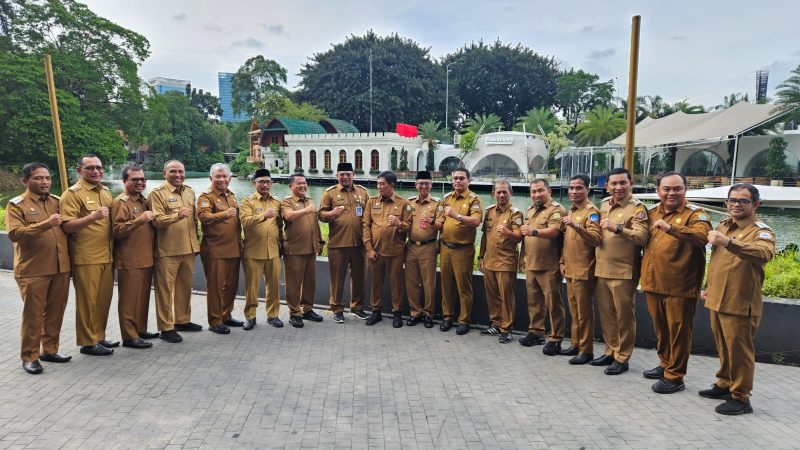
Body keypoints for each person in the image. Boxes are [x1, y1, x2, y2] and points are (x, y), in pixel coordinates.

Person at [701, 183, 775, 415]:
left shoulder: (761, 231)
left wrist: (728, 243)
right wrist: (706, 286)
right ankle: (725, 383)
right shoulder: (724, 225)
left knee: (740, 351)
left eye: (742, 201)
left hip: (740, 302)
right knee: (724, 346)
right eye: (731, 200)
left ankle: (741, 397)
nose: (735, 204)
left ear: (755, 204)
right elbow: (717, 262)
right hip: (717, 298)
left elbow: (764, 254)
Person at [641, 172, 711, 393]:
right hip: (654, 283)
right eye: (666, 189)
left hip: (680, 287)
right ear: (658, 191)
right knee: (662, 329)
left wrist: (672, 228)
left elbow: (702, 237)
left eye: (677, 188)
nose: (672, 193)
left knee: (679, 332)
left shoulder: (696, 214)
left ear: (685, 190)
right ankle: (665, 364)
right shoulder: (652, 213)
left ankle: (675, 376)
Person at [6, 163, 71, 374]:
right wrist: (46, 224)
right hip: (33, 269)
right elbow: (15, 233)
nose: (44, 182)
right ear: (25, 181)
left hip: (60, 267)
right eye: (38, 178)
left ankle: (50, 350)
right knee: (33, 315)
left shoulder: (57, 202)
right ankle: (30, 356)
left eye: (47, 178)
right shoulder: (17, 205)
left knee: (55, 312)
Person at [593, 167, 649, 375]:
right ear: (607, 186)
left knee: (624, 317)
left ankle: (623, 357)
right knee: (607, 315)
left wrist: (618, 229)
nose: (618, 187)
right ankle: (610, 351)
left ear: (630, 184)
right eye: (613, 184)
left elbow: (642, 237)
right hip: (602, 269)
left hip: (624, 271)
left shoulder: (637, 208)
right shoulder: (604, 205)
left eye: (622, 183)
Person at [60, 154, 116, 356]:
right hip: (86, 257)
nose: (96, 171)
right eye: (90, 168)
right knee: (87, 302)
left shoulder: (106, 192)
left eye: (99, 168)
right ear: (79, 170)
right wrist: (92, 217)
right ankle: (87, 341)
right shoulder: (72, 194)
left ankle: (99, 336)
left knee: (103, 300)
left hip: (107, 255)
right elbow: (67, 226)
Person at [148, 160, 202, 343]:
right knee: (165, 291)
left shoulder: (189, 191)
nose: (177, 175)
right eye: (173, 171)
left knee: (184, 287)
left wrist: (196, 243)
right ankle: (166, 327)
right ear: (164, 173)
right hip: (167, 250)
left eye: (181, 171)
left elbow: (194, 221)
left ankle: (182, 320)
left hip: (188, 248)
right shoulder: (157, 194)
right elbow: (156, 221)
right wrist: (176, 215)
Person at [111, 165, 158, 349]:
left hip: (146, 257)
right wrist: (140, 220)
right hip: (129, 259)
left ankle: (140, 328)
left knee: (142, 297)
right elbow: (117, 230)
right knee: (129, 300)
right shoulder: (121, 202)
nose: (140, 182)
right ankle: (129, 336)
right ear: (125, 181)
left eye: (142, 179)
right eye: (135, 179)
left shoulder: (143, 200)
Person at [519, 179, 567, 355]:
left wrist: (534, 231)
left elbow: (554, 232)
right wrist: (522, 256)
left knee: (554, 304)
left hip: (549, 265)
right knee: (534, 302)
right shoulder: (531, 210)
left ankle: (556, 339)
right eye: (533, 192)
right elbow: (525, 235)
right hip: (532, 263)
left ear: (549, 191)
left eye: (540, 191)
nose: (536, 195)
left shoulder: (556, 210)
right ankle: (536, 332)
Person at [318, 162, 370, 323]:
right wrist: (331, 213)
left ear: (353, 175)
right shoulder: (330, 193)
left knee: (360, 277)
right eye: (342, 174)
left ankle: (357, 307)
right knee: (337, 278)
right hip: (338, 244)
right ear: (337, 176)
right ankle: (337, 308)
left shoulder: (363, 192)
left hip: (359, 244)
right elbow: (320, 215)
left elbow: (368, 217)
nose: (345, 177)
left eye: (348, 174)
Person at [559, 174, 602, 364]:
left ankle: (586, 350)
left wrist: (577, 226)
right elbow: (566, 242)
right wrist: (562, 261)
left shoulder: (592, 212)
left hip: (584, 270)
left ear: (588, 190)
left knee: (584, 313)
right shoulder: (573, 210)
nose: (574, 191)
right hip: (570, 268)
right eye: (571, 188)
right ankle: (576, 344)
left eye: (578, 188)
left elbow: (596, 239)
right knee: (574, 311)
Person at [197, 163, 243, 334]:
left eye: (225, 176)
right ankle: (215, 320)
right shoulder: (205, 197)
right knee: (216, 287)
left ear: (230, 178)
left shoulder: (231, 196)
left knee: (231, 286)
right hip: (215, 249)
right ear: (211, 178)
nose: (222, 179)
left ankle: (226, 315)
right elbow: (204, 217)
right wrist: (224, 214)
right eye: (218, 176)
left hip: (234, 248)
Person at [362, 171, 412, 327]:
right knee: (376, 282)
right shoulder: (371, 202)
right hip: (376, 251)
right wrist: (369, 248)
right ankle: (376, 311)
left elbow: (409, 228)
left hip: (395, 251)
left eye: (382, 184)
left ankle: (397, 313)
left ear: (392, 185)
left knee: (396, 283)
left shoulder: (404, 204)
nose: (379, 187)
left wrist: (399, 223)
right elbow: (365, 225)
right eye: (378, 184)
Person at [436, 168, 483, 335]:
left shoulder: (473, 200)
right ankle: (447, 317)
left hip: (463, 250)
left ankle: (464, 320)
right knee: (446, 285)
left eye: (461, 178)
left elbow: (476, 221)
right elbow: (440, 221)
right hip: (446, 248)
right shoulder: (447, 198)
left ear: (468, 180)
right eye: (455, 178)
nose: (457, 181)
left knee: (464, 287)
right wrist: (431, 222)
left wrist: (457, 216)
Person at [478, 180, 523, 344]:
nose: (502, 195)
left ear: (510, 193)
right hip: (490, 260)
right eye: (498, 192)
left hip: (506, 261)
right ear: (494, 194)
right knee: (492, 295)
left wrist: (508, 232)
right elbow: (484, 235)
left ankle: (507, 328)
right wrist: (480, 256)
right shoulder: (489, 211)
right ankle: (496, 323)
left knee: (506, 296)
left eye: (505, 192)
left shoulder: (515, 213)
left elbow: (519, 237)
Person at [239, 168, 284, 330]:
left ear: (271, 183)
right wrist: (263, 216)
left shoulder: (277, 202)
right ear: (254, 183)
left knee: (273, 286)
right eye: (261, 182)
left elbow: (280, 226)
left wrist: (282, 244)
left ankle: (273, 315)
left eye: (268, 182)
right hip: (253, 251)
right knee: (251, 287)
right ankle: (250, 316)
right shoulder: (247, 202)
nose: (265, 185)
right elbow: (245, 222)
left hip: (273, 251)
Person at [280, 174, 324, 328]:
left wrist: (320, 241)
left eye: (304, 183)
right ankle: (294, 313)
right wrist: (307, 210)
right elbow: (288, 216)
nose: (302, 186)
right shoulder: (286, 201)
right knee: (293, 284)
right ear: (291, 186)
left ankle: (307, 309)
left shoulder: (310, 200)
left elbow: (314, 224)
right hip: (295, 250)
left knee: (310, 282)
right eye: (299, 183)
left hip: (310, 249)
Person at [405, 171, 443, 328]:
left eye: (426, 183)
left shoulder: (437, 203)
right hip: (411, 246)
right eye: (420, 183)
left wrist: (431, 221)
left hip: (429, 246)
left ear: (431, 185)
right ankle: (415, 312)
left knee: (428, 282)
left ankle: (428, 313)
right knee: (412, 282)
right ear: (416, 185)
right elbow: (405, 222)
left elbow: (441, 225)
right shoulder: (409, 203)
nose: (423, 186)